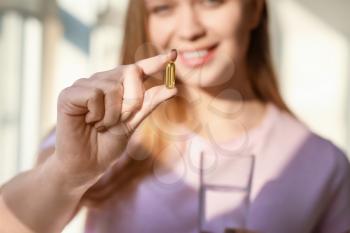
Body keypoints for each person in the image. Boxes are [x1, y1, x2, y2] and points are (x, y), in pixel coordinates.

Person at [1, 0, 349, 232]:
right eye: (164, 7)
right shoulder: (102, 128)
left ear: (255, 9)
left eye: (211, 0)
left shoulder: (321, 162)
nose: (189, 28)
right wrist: (68, 172)